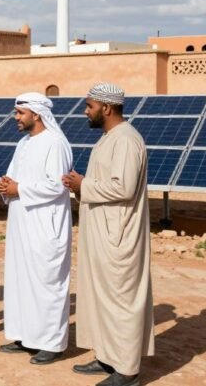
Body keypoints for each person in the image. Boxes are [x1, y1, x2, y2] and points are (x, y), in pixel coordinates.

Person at [63, 84, 153, 386]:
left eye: (89, 106)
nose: (85, 111)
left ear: (107, 107)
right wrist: (79, 187)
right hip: (102, 233)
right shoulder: (109, 139)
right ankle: (107, 357)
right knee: (101, 299)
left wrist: (83, 185)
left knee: (121, 302)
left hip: (119, 236)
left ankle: (127, 371)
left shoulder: (126, 140)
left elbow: (123, 188)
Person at [0, 92, 73, 365]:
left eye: (20, 113)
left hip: (45, 224)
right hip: (21, 222)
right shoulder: (23, 144)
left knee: (47, 283)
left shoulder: (56, 143)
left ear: (36, 114)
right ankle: (26, 336)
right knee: (21, 280)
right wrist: (7, 185)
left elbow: (58, 184)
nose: (15, 118)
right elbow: (13, 176)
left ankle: (51, 343)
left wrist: (19, 189)